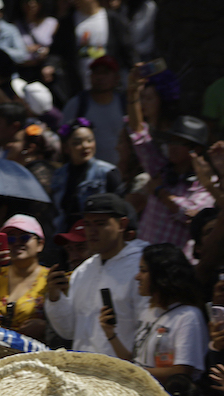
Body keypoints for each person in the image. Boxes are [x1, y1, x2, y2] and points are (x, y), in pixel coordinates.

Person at [46, 193, 147, 356]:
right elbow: (68, 331)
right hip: (84, 370)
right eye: (87, 224)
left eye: (100, 224)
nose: (92, 231)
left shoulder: (141, 268)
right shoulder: (83, 271)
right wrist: (55, 297)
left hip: (124, 372)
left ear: (122, 224)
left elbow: (147, 328)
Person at [101, 242, 207, 380]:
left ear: (162, 276)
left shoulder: (188, 317)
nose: (137, 277)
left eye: (143, 271)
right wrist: (110, 334)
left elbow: (181, 372)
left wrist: (130, 372)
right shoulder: (148, 311)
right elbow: (135, 363)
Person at [128, 110, 215, 253]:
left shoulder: (206, 184)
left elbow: (190, 216)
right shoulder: (160, 168)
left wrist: (160, 192)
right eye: (170, 141)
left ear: (196, 149)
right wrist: (132, 96)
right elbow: (140, 137)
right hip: (144, 257)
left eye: (179, 142)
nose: (172, 146)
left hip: (174, 266)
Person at [49, 119, 121, 231]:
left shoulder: (107, 172)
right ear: (67, 148)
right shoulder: (59, 174)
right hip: (65, 235)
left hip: (95, 233)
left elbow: (118, 207)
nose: (85, 146)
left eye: (89, 140)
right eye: (77, 143)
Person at [61, 55, 126, 165]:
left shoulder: (125, 103)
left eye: (105, 73)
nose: (100, 77)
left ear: (117, 77)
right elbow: (63, 136)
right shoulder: (77, 104)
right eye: (96, 72)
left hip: (120, 172)